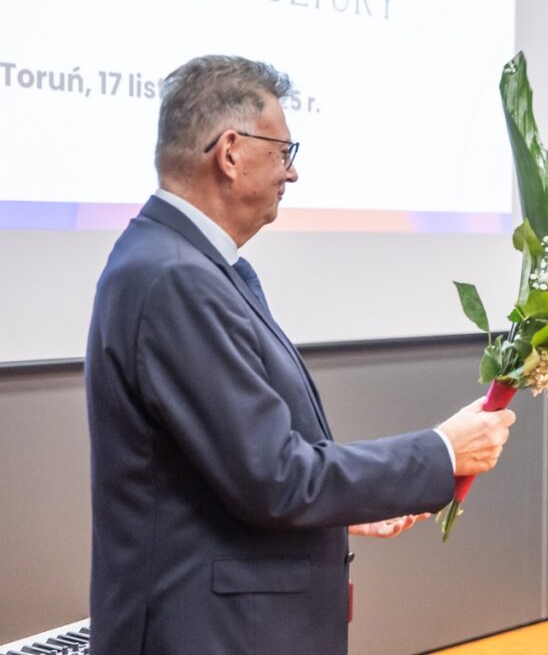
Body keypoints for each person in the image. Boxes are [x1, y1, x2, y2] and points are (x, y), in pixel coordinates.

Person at [84, 55, 515, 655]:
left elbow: (239, 466)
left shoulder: (188, 265)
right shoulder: (175, 277)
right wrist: (441, 451)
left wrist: (347, 509)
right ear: (230, 152)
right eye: (284, 153)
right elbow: (275, 477)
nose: (292, 175)